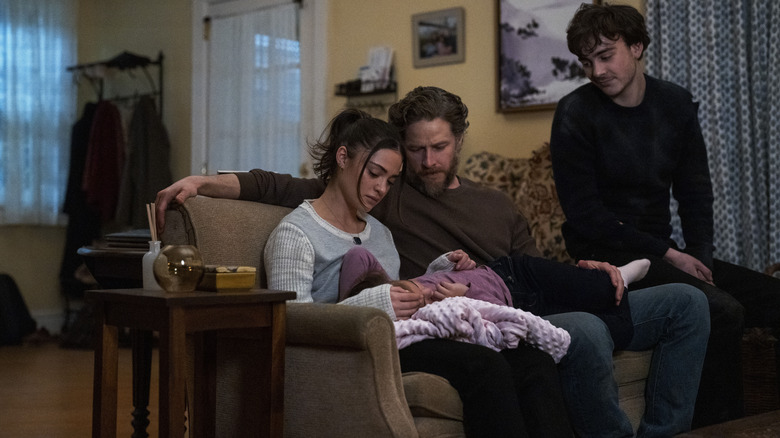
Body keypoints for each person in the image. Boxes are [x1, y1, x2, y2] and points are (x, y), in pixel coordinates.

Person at [155, 86, 710, 437]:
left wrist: (442, 272)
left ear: (459, 142)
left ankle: (615, 288)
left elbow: (404, 278)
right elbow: (283, 196)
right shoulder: (354, 211)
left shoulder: (384, 222)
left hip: (493, 297)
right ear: (351, 161)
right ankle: (611, 296)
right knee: (550, 341)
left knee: (686, 304)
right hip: (421, 321)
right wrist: (205, 181)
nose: (417, 166)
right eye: (397, 161)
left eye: (436, 149)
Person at [263, 107, 573, 437]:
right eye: (375, 174)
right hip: (356, 350)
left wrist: (435, 275)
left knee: (533, 361)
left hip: (405, 336)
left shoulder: (379, 232)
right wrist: (379, 304)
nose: (381, 188)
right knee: (485, 366)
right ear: (343, 157)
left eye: (391, 180)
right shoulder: (296, 233)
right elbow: (291, 322)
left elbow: (394, 290)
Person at [548, 2, 780, 428]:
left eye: (605, 55)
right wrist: (671, 256)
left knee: (772, 298)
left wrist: (701, 257)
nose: (596, 70)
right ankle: (716, 430)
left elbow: (695, 193)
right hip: (610, 259)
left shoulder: (674, 104)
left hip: (663, 251)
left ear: (636, 46)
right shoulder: (575, 114)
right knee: (721, 310)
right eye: (586, 61)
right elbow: (585, 215)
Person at [339, 245, 652, 349]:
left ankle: (622, 273)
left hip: (512, 272)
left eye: (412, 290)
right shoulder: (429, 319)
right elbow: (485, 326)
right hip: (522, 304)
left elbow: (357, 255)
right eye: (416, 299)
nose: (422, 293)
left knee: (599, 288)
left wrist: (450, 263)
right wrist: (464, 295)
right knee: (616, 329)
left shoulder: (400, 286)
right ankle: (615, 282)